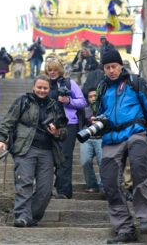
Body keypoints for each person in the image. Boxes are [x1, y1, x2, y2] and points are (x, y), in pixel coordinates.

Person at [93, 49, 147, 244]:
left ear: (120, 66)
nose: (111, 71)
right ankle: (124, 228)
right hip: (111, 137)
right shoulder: (102, 88)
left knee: (139, 170)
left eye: (114, 66)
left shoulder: (135, 82)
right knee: (109, 182)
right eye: (107, 68)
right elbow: (99, 112)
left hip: (136, 132)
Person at [0, 75, 68, 227]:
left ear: (49, 89)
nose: (42, 90)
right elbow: (8, 121)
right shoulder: (23, 101)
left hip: (47, 151)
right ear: (33, 87)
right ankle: (22, 216)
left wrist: (57, 132)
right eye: (39, 87)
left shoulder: (55, 106)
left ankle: (31, 217)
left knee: (45, 190)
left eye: (45, 88)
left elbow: (64, 131)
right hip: (25, 149)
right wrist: (1, 139)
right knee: (24, 183)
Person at [45, 58, 87, 199]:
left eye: (55, 69)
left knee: (65, 157)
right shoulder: (45, 85)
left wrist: (69, 101)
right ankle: (46, 190)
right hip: (50, 124)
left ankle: (64, 192)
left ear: (60, 70)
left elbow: (82, 102)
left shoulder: (70, 83)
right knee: (48, 157)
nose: (52, 72)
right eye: (50, 70)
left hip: (69, 124)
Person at [80, 88, 104, 194]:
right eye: (90, 97)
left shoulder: (104, 108)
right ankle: (92, 185)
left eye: (95, 96)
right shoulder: (85, 110)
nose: (93, 98)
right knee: (85, 161)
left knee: (103, 162)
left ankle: (104, 187)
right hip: (87, 138)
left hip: (101, 138)